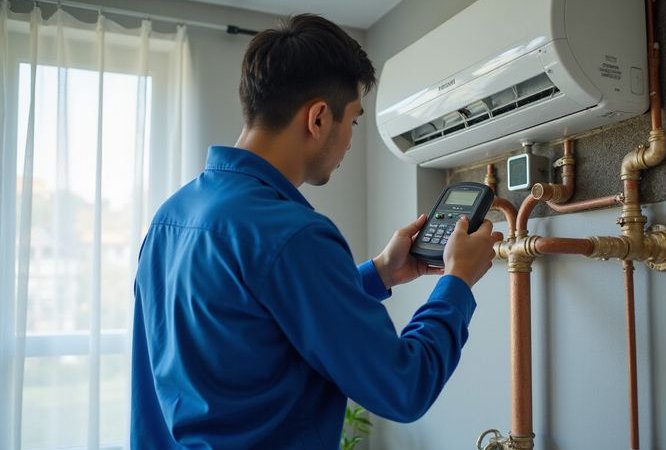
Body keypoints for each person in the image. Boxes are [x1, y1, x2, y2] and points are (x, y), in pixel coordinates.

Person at [131, 13, 501, 449]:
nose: (349, 140)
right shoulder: (295, 235)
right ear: (319, 118)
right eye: (354, 122)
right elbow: (404, 387)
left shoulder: (171, 217)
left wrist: (378, 273)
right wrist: (458, 283)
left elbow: (254, 323)